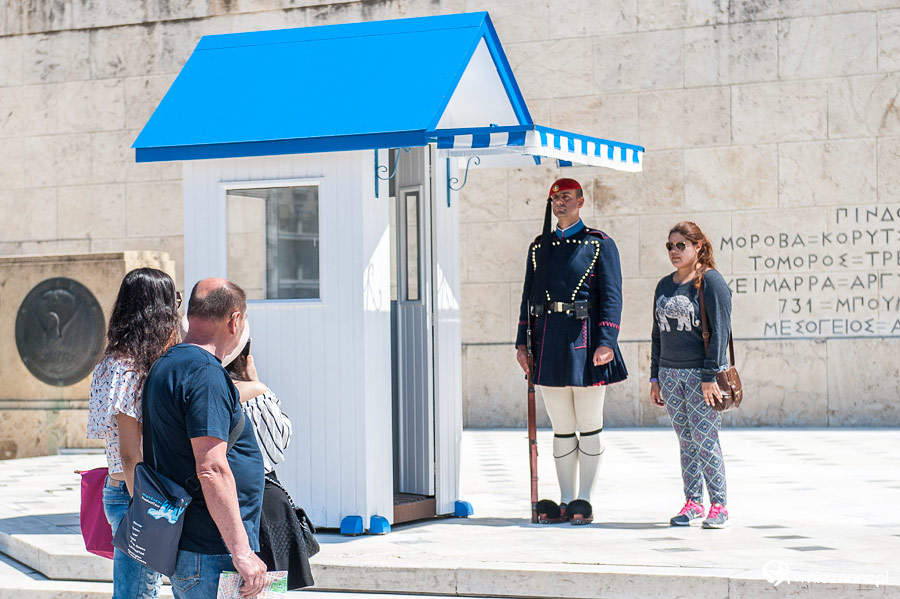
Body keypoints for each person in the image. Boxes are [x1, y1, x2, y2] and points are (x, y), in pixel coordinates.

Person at [142, 278, 267, 599]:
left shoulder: (165, 364)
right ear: (234, 320)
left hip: (191, 545)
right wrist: (242, 552)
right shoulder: (206, 374)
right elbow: (211, 468)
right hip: (213, 550)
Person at [515, 178, 627, 525]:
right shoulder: (539, 247)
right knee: (562, 425)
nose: (559, 203)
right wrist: (522, 342)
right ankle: (565, 498)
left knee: (589, 424)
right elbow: (528, 296)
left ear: (580, 202)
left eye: (566, 197)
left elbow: (612, 296)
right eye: (555, 199)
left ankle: (585, 498)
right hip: (548, 339)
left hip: (585, 338)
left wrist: (607, 341)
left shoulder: (599, 243)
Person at [87, 268, 181, 599]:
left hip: (127, 491)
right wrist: (148, 510)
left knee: (140, 591)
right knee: (137, 594)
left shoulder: (114, 361)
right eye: (174, 301)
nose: (177, 310)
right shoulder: (127, 368)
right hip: (134, 495)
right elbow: (129, 453)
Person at [650, 221, 732, 529]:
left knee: (705, 439)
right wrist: (655, 377)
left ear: (698, 246)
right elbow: (657, 334)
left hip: (701, 375)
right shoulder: (664, 285)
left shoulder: (710, 281)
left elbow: (721, 332)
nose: (674, 251)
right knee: (685, 441)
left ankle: (719, 505)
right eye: (670, 246)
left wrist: (710, 375)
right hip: (670, 375)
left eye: (681, 245)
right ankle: (694, 502)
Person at [223, 325, 314, 590]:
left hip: (221, 501)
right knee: (266, 590)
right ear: (244, 356)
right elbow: (278, 444)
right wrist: (258, 382)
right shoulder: (256, 393)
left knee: (230, 589)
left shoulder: (201, 392)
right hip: (264, 502)